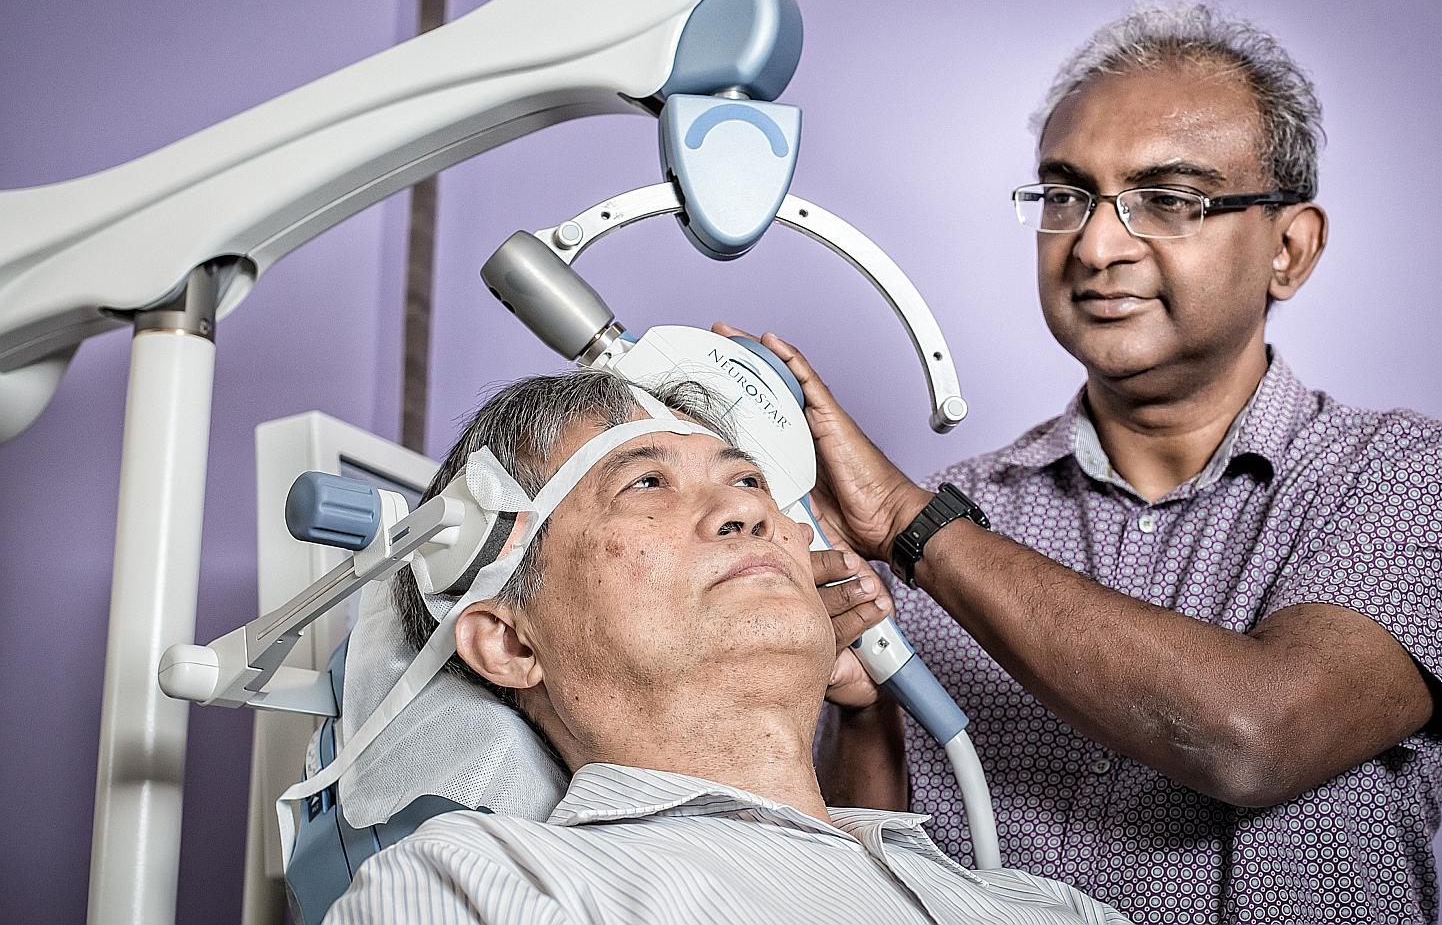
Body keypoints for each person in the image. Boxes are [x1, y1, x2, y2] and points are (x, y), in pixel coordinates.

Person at [741, 2, 1442, 925]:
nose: (1097, 246)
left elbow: (1255, 737)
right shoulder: (967, 513)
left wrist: (915, 527)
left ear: (1290, 249)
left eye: (1170, 200)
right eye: (1066, 196)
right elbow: (862, 882)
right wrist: (863, 714)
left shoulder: (1409, 478)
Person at [325, 369, 1127, 924]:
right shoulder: (486, 887)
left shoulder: (1045, 906)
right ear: (506, 641)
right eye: (645, 483)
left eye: (747, 482)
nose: (744, 513)